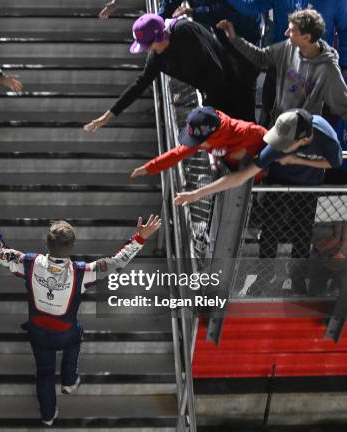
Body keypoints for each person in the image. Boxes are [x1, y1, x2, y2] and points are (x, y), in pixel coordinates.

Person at [0, 208, 161, 426]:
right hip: (65, 334)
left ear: (47, 245)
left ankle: (48, 416)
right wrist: (140, 238)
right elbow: (116, 262)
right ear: (71, 247)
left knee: (44, 373)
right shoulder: (82, 272)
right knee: (76, 334)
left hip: (37, 332)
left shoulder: (28, 263)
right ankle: (69, 381)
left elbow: (1, 253)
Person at [174, 109, 343, 290]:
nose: (280, 146)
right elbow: (242, 176)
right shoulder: (278, 143)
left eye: (285, 143)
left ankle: (298, 279)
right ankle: (264, 276)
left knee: (302, 233)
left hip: (309, 185)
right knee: (270, 228)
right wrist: (196, 194)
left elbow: (335, 163)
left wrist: (295, 160)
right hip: (277, 182)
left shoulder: (327, 138)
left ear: (302, 140)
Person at [84, 13, 257, 133]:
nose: (148, 50)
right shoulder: (157, 57)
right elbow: (140, 84)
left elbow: (215, 71)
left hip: (235, 87)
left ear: (160, 36)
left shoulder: (186, 32)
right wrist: (108, 116)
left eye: (149, 45)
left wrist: (207, 109)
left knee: (247, 137)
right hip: (214, 95)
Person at [216, 9, 347, 125]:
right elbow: (261, 58)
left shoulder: (328, 70)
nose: (285, 33)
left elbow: (344, 107)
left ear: (306, 37)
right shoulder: (287, 47)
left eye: (291, 30)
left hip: (304, 136)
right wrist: (234, 38)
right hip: (279, 127)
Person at [130, 106, 267, 178]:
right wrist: (147, 168)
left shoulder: (248, 132)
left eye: (198, 141)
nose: (197, 145)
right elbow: (177, 153)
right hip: (233, 180)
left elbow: (279, 146)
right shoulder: (204, 137)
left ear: (212, 135)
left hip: (260, 183)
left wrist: (249, 155)